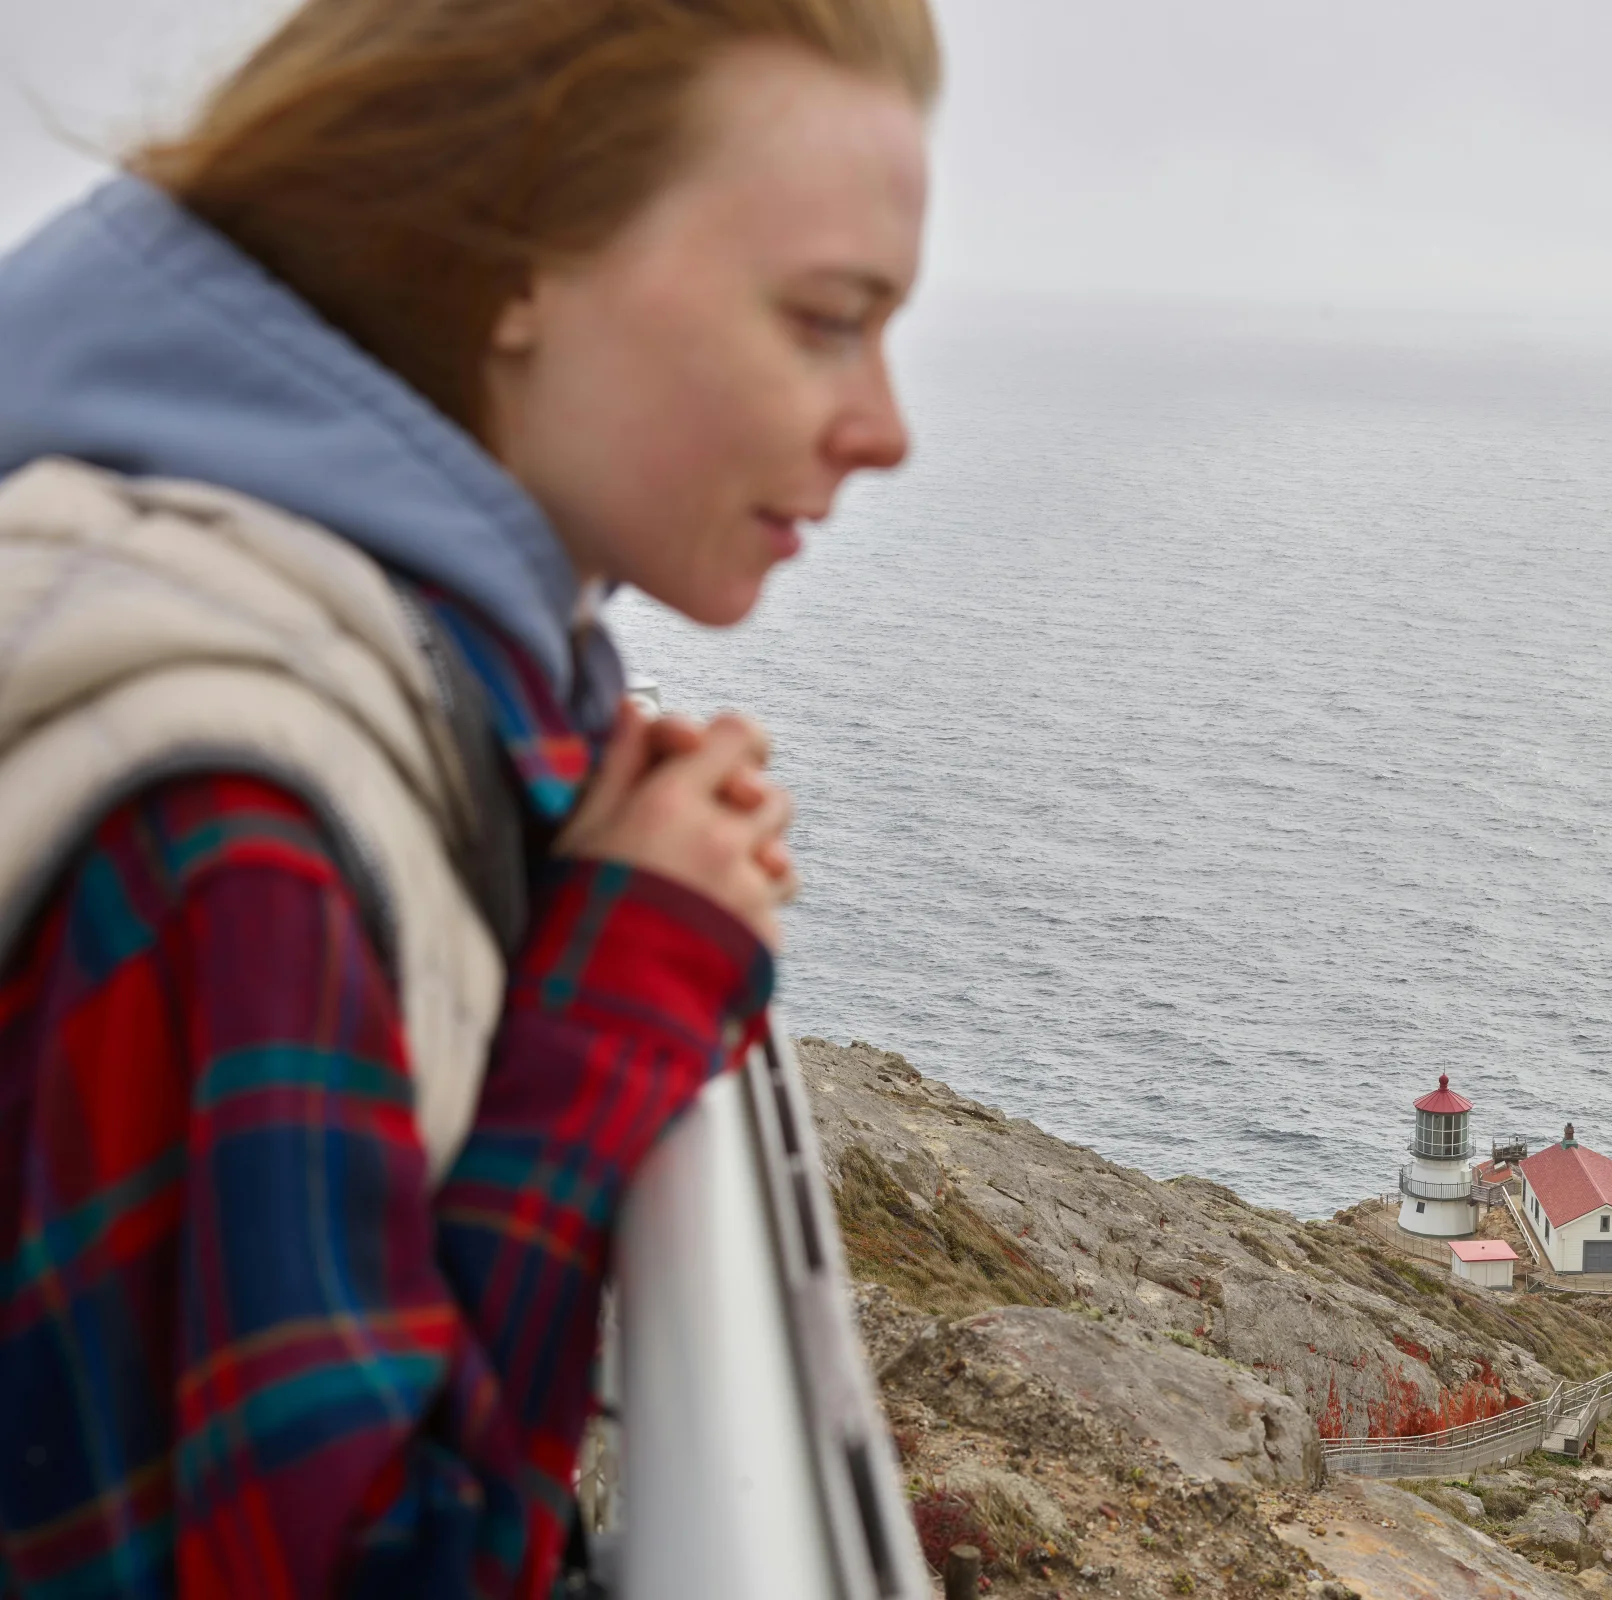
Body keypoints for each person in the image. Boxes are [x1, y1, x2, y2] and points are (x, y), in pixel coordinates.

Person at [0, 0, 936, 1594]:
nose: (888, 430)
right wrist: (623, 992)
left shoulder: (251, 628)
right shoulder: (236, 837)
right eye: (823, 319)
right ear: (512, 266)